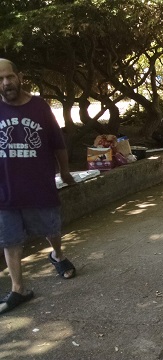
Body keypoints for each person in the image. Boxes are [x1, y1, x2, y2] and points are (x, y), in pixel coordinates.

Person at [0, 58, 77, 315]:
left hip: (39, 185)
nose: (6, 83)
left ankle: (57, 254)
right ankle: (18, 288)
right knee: (10, 239)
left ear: (19, 76)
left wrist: (65, 172)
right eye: (0, 80)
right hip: (5, 189)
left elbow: (57, 143)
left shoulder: (39, 106)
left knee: (51, 228)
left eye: (9, 76)